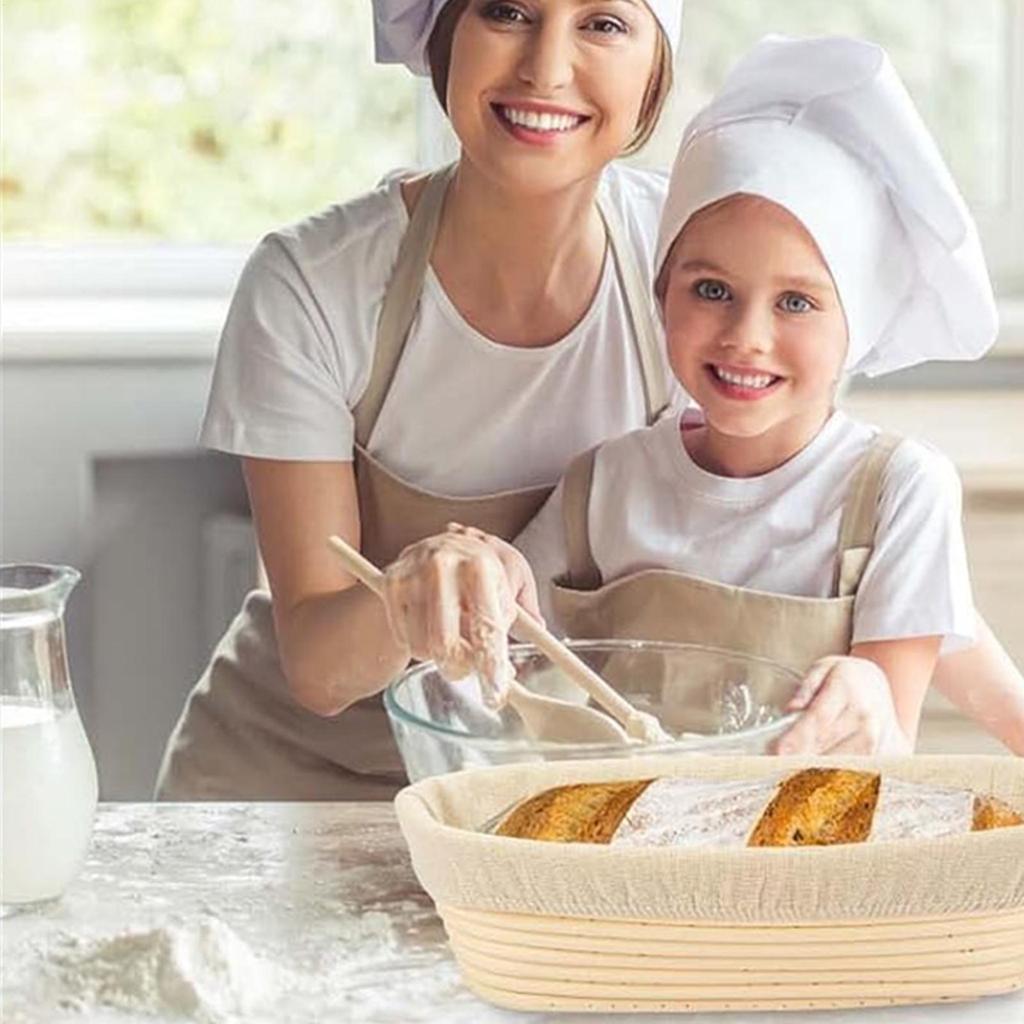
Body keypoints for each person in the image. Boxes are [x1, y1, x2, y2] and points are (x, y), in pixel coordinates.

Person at [381, 35, 1024, 756]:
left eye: (797, 302)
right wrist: (478, 577)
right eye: (711, 290)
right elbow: (496, 659)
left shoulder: (898, 491)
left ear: (860, 323)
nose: (747, 337)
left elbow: (886, 742)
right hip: (624, 826)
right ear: (662, 295)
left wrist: (869, 692)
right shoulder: (605, 483)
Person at [155, 0, 686, 800]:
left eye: (603, 23)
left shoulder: (692, 270)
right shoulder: (312, 283)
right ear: (443, 38)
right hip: (296, 788)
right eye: (507, 11)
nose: (546, 69)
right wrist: (415, 592)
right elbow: (320, 669)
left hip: (553, 792)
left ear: (655, 69)